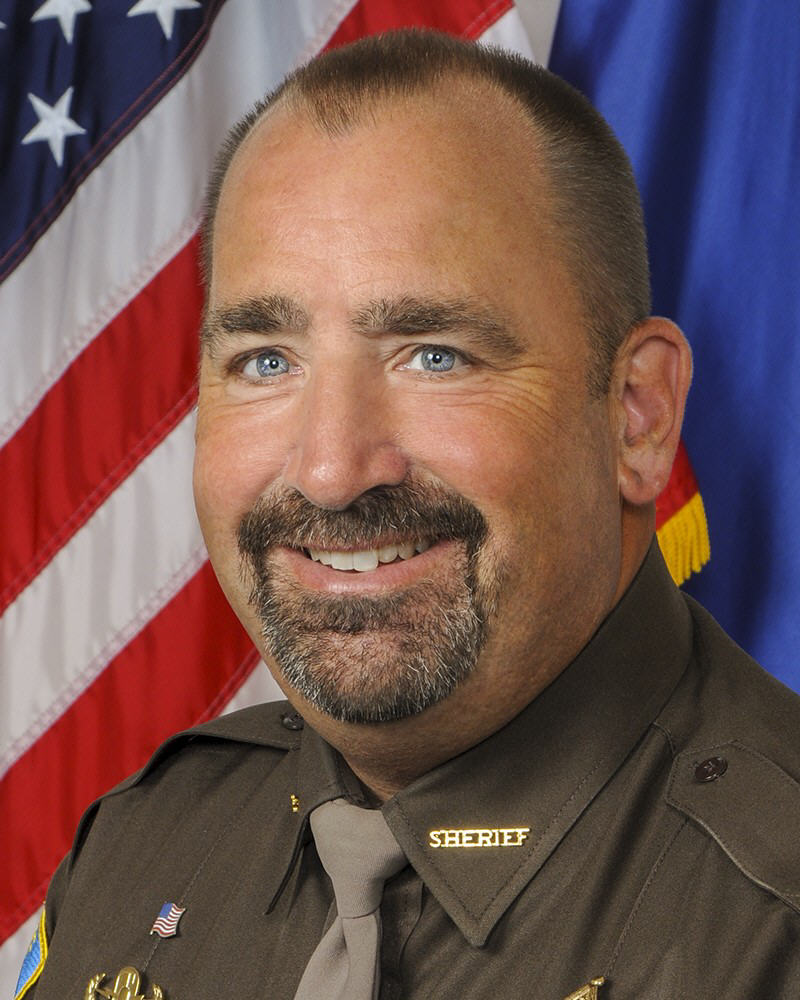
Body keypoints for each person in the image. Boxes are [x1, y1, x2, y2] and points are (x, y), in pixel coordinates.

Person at [18, 29, 800, 1000]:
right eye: (266, 360)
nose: (331, 471)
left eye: (434, 355)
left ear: (636, 415)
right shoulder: (144, 848)